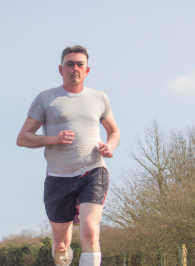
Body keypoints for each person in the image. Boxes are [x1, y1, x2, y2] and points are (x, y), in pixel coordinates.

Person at [16, 45, 120, 266]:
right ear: (60, 69)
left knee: (90, 232)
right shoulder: (46, 98)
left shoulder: (99, 97)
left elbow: (114, 132)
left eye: (80, 64)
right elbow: (23, 138)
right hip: (58, 177)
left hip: (93, 171)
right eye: (69, 64)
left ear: (87, 70)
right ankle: (63, 255)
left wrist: (110, 147)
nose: (75, 68)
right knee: (61, 247)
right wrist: (54, 139)